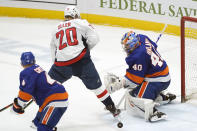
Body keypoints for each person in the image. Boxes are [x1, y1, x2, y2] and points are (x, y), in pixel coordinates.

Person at [48, 5, 120, 117]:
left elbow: (53, 48)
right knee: (97, 87)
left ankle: (25, 104)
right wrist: (86, 49)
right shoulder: (81, 22)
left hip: (62, 65)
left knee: (47, 85)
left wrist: (56, 65)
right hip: (81, 62)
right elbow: (95, 38)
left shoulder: (55, 27)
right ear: (76, 15)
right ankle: (112, 107)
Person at [104, 31, 176, 122]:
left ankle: (153, 112)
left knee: (134, 97)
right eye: (124, 45)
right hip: (164, 76)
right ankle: (163, 97)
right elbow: (154, 46)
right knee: (139, 90)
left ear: (133, 44)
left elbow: (135, 81)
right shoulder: (142, 37)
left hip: (156, 81)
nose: (125, 48)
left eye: (127, 46)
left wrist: (119, 84)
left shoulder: (138, 56)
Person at [11, 52, 68, 131]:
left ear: (21, 63)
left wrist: (17, 105)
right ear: (34, 61)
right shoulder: (37, 68)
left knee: (43, 128)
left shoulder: (26, 72)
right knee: (35, 124)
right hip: (52, 99)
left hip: (54, 100)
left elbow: (25, 95)